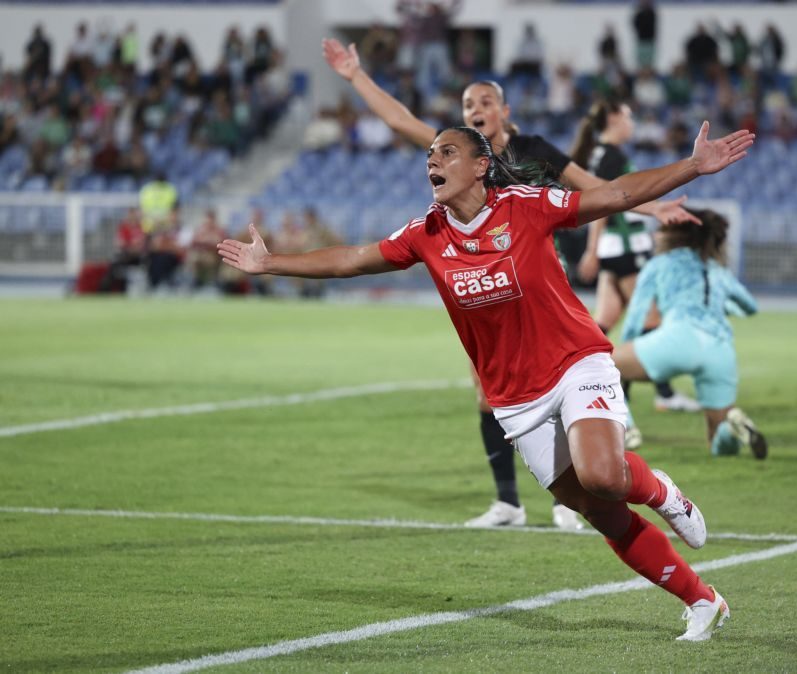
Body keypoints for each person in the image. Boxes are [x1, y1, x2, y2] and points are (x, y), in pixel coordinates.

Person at [219, 121, 754, 641]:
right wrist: (271, 265)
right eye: (429, 154)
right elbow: (353, 260)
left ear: (480, 167)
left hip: (574, 361)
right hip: (515, 396)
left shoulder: (525, 206)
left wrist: (691, 167)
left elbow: (612, 195)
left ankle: (661, 491)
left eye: (447, 152)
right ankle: (703, 600)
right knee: (598, 511)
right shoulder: (426, 233)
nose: (433, 159)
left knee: (604, 477)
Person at [323, 37, 697, 530]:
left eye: (483, 102)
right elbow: (398, 120)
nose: (474, 109)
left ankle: (574, 491)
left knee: (557, 371)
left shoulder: (532, 151)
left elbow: (593, 186)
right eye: (466, 104)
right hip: (483, 284)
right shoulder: (453, 152)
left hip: (534, 279)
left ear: (504, 109)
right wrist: (355, 76)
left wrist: (654, 206)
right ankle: (509, 502)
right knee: (487, 388)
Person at [570, 101, 701, 450]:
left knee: (605, 321)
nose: (631, 122)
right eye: (627, 115)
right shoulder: (610, 154)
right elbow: (602, 202)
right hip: (624, 249)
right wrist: (592, 248)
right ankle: (637, 402)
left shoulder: (600, 153)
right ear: (613, 118)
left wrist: (596, 248)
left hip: (616, 248)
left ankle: (573, 373)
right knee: (650, 322)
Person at [612, 209, 767, 460]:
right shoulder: (717, 269)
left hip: (677, 338)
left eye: (662, 229)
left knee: (602, 365)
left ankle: (627, 428)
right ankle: (733, 428)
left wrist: (625, 350)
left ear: (675, 235)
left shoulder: (660, 263)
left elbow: (636, 314)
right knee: (717, 440)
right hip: (720, 349)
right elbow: (750, 306)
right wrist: (720, 307)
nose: (657, 234)